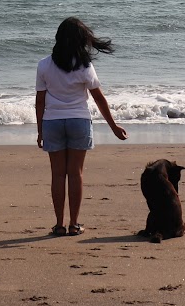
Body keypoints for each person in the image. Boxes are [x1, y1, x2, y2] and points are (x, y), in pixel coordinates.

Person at [35, 16, 127, 236]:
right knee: (75, 174)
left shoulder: (44, 65)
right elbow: (99, 98)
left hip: (52, 122)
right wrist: (113, 126)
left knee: (58, 175)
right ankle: (74, 224)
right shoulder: (85, 66)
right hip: (79, 120)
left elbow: (39, 100)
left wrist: (40, 130)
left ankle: (59, 225)